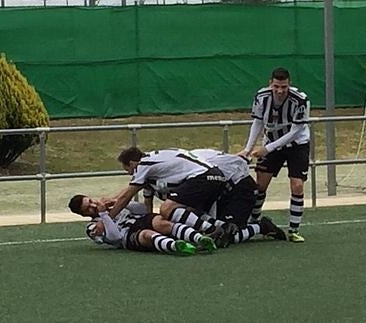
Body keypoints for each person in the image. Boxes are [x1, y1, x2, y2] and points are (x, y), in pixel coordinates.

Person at [144, 148, 286, 247]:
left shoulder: (194, 167)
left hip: (239, 186)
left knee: (228, 236)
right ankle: (217, 227)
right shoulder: (186, 164)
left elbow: (237, 167)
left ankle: (260, 227)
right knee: (196, 215)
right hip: (225, 188)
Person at [238, 67, 310, 243]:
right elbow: (257, 122)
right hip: (271, 141)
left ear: (289, 84)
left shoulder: (300, 100)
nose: (280, 91)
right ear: (270, 84)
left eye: (284, 87)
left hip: (297, 144)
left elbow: (295, 132)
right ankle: (252, 223)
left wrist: (267, 149)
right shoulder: (261, 97)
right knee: (260, 185)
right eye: (276, 86)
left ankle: (293, 229)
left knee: (297, 185)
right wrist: (248, 149)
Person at [68, 194, 217, 255]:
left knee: (160, 222)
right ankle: (176, 247)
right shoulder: (91, 228)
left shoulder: (111, 208)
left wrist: (118, 203)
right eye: (88, 208)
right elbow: (115, 237)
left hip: (140, 219)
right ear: (83, 214)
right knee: (147, 234)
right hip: (128, 235)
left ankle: (201, 239)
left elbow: (142, 210)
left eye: (91, 202)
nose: (93, 206)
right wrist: (104, 216)